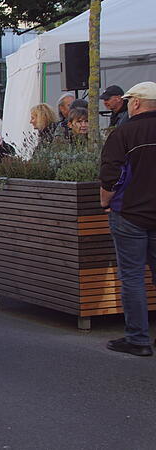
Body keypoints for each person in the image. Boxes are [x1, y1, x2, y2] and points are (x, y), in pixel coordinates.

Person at [99, 81, 156, 357]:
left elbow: (111, 174)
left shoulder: (124, 132)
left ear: (135, 103)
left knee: (132, 277)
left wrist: (105, 202)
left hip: (130, 213)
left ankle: (138, 338)